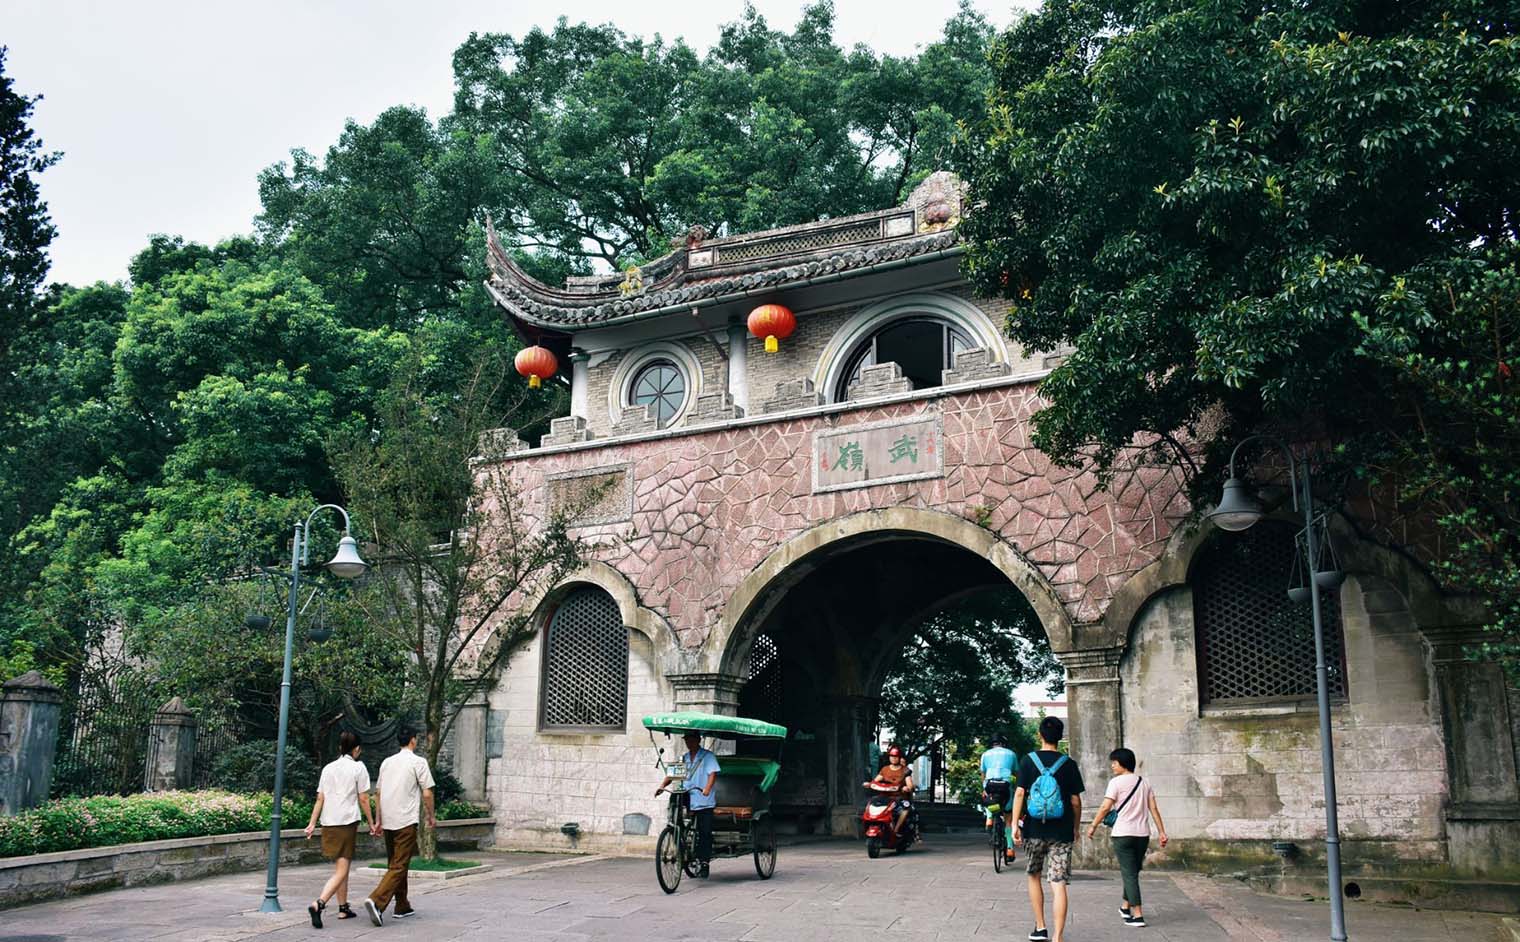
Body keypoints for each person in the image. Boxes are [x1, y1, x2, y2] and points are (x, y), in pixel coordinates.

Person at [1011, 716, 1084, 942]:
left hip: (1034, 828)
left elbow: (1021, 793)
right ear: (1060, 738)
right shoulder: (1069, 764)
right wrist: (1075, 827)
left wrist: (1014, 824)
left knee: (1034, 875)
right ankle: (1058, 937)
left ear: (1039, 735)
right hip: (1061, 830)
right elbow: (1075, 801)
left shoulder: (1028, 760)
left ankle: (1040, 927)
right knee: (1058, 882)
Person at [1086, 747, 1168, 929]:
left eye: (1114, 763)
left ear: (1122, 763)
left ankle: (1137, 914)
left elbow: (1105, 807)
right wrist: (1162, 831)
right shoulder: (1144, 782)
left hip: (1122, 834)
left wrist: (1093, 825)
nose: (1112, 766)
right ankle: (1125, 906)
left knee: (1130, 873)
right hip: (1142, 834)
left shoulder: (1116, 783)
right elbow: (1153, 808)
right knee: (1132, 872)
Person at [363, 727, 435, 927]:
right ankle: (376, 901)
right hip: (405, 820)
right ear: (413, 740)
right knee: (399, 865)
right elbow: (427, 793)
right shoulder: (418, 762)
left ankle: (402, 905)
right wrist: (431, 815)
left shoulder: (387, 762)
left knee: (395, 863)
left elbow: (378, 793)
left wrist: (378, 820)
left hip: (388, 820)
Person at [304, 731, 374, 928]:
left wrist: (312, 823)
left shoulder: (328, 768)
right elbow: (363, 798)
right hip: (346, 822)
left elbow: (320, 798)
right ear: (357, 749)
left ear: (339, 748)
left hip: (329, 822)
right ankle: (319, 903)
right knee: (342, 869)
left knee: (341, 867)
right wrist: (372, 823)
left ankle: (343, 908)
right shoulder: (358, 768)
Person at [656, 730, 721, 877]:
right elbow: (673, 774)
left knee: (705, 832)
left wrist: (707, 789)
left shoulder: (707, 756)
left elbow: (712, 774)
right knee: (674, 801)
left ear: (698, 740)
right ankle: (677, 834)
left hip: (703, 799)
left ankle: (704, 862)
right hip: (688, 797)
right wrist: (662, 786)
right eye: (687, 740)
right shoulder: (684, 758)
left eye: (691, 740)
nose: (688, 743)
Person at [980, 733, 1017, 863]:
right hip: (1006, 785)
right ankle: (1010, 849)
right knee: (1008, 819)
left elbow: (983, 773)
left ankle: (989, 818)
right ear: (1003, 743)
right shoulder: (1011, 754)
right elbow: (1015, 772)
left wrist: (984, 788)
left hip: (990, 783)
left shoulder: (985, 754)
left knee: (988, 798)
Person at [870, 745, 914, 837]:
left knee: (905, 810)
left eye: (896, 757)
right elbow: (876, 780)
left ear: (899, 758)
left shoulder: (905, 770)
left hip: (899, 798)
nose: (893, 759)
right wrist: (869, 784)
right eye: (892, 756)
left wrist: (907, 788)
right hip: (885, 797)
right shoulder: (885, 769)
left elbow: (909, 784)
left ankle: (896, 829)